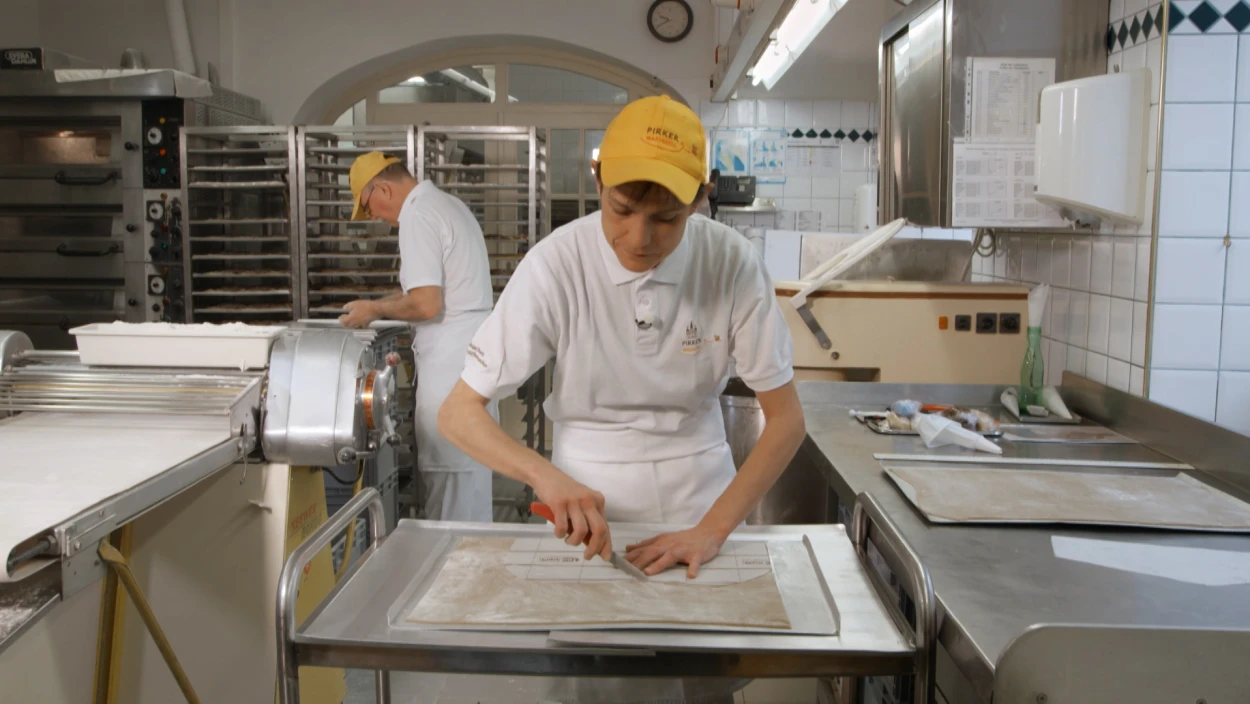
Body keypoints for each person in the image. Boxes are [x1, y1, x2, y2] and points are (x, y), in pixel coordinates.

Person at [438, 95, 806, 703]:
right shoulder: (557, 264)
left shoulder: (730, 263)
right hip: (588, 510)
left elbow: (786, 421)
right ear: (598, 180)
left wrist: (712, 530)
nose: (638, 238)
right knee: (598, 680)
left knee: (703, 679)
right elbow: (458, 412)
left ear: (701, 197)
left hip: (701, 496)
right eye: (622, 210)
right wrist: (544, 477)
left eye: (667, 219)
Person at [339, 152, 497, 521]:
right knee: (469, 487)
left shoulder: (417, 214)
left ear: (383, 188)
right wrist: (374, 305)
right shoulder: (447, 205)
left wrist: (375, 310)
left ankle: (456, 560)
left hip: (450, 370)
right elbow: (423, 290)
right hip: (472, 364)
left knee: (451, 495)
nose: (374, 217)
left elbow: (426, 304)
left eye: (368, 207)